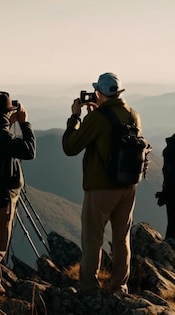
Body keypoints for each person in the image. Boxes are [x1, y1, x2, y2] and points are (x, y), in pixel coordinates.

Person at [62, 72, 141, 296]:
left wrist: (76, 118)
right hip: (128, 186)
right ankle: (119, 286)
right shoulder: (133, 115)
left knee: (92, 238)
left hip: (101, 187)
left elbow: (70, 147)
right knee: (121, 237)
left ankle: (88, 286)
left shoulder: (98, 119)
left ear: (98, 93)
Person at [0, 91, 36, 294]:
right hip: (0, 198)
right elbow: (29, 151)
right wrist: (25, 124)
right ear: (5, 112)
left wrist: (9, 124)